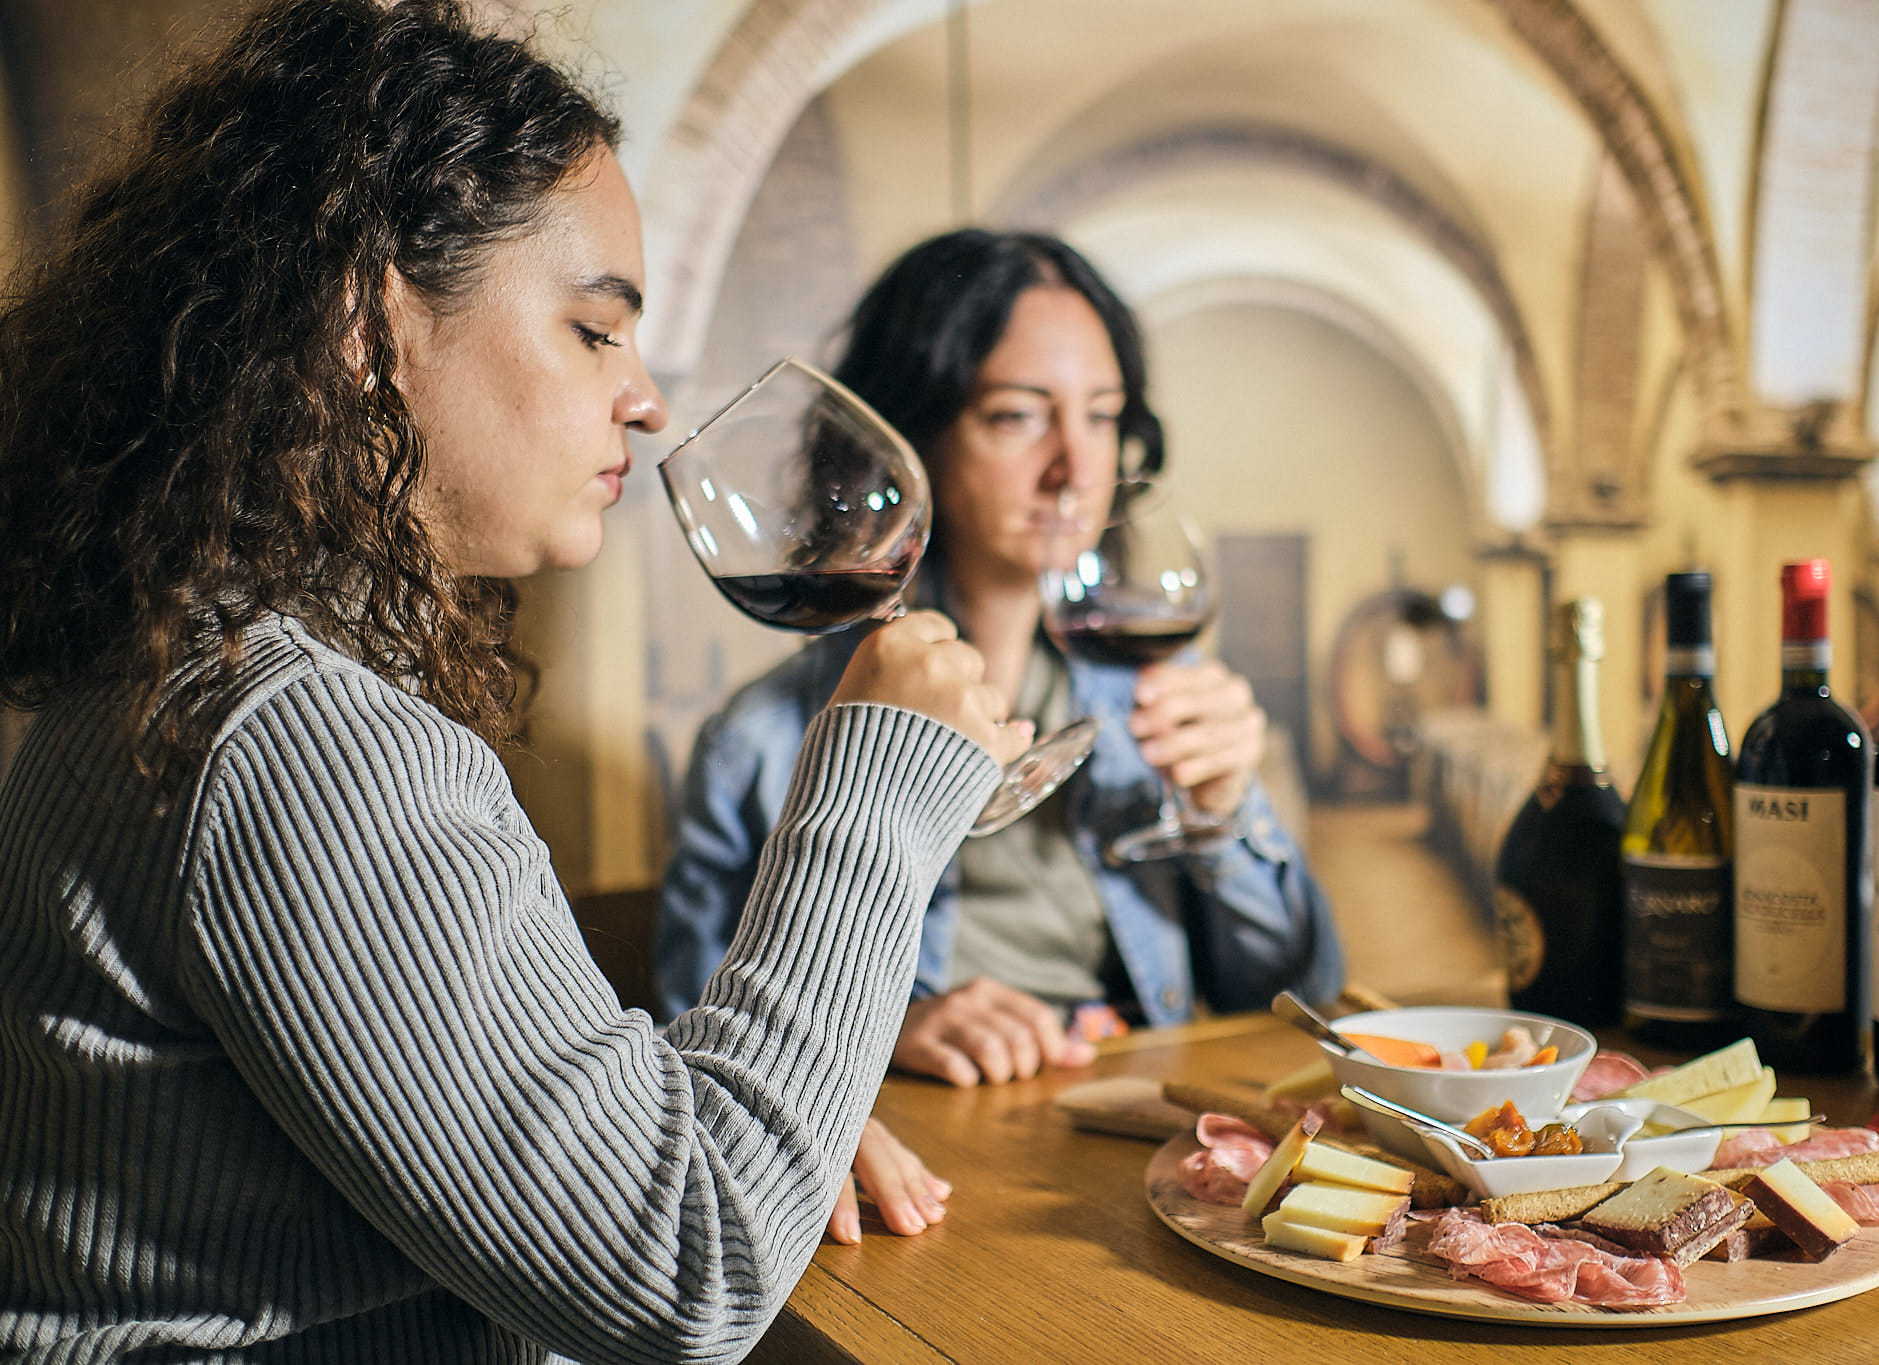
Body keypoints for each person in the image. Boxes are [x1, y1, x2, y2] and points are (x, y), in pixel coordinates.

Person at [0, 4, 1026, 1361]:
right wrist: (877, 788)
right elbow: (688, 1272)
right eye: (596, 330)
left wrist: (766, 1115)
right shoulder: (293, 744)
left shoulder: (219, 672)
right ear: (370, 324)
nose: (648, 399)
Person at [656, 229, 1347, 1240]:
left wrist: (1227, 817)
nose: (1076, 468)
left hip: (1138, 1157)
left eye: (1102, 416)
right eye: (1018, 416)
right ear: (910, 437)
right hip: (930, 1180)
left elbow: (1297, 998)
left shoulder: (1156, 697)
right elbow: (688, 1050)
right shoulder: (758, 741)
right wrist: (891, 1025)